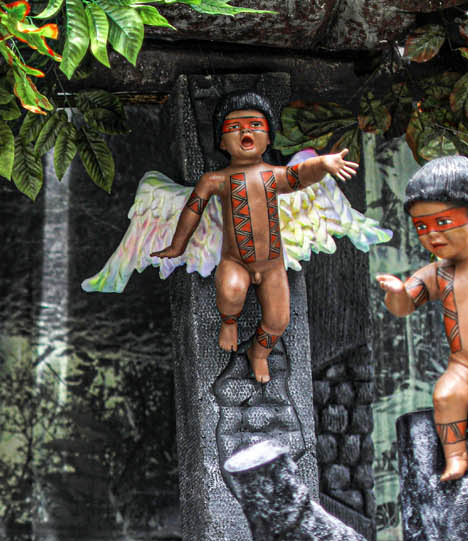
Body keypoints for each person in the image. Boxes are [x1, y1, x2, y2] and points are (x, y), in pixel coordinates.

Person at [150, 91, 359, 382]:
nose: (245, 131)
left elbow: (300, 175)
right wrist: (177, 245)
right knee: (231, 291)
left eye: (255, 125)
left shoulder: (273, 175)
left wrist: (322, 164)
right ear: (222, 143)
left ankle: (258, 353)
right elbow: (193, 210)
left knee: (278, 320)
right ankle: (229, 322)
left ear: (268, 139)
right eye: (234, 127)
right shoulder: (216, 180)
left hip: (272, 266)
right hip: (235, 261)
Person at [376, 155, 468, 481]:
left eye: (443, 222)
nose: (432, 235)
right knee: (446, 395)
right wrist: (397, 292)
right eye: (422, 227)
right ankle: (456, 456)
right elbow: (403, 307)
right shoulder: (438, 273)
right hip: (463, 366)